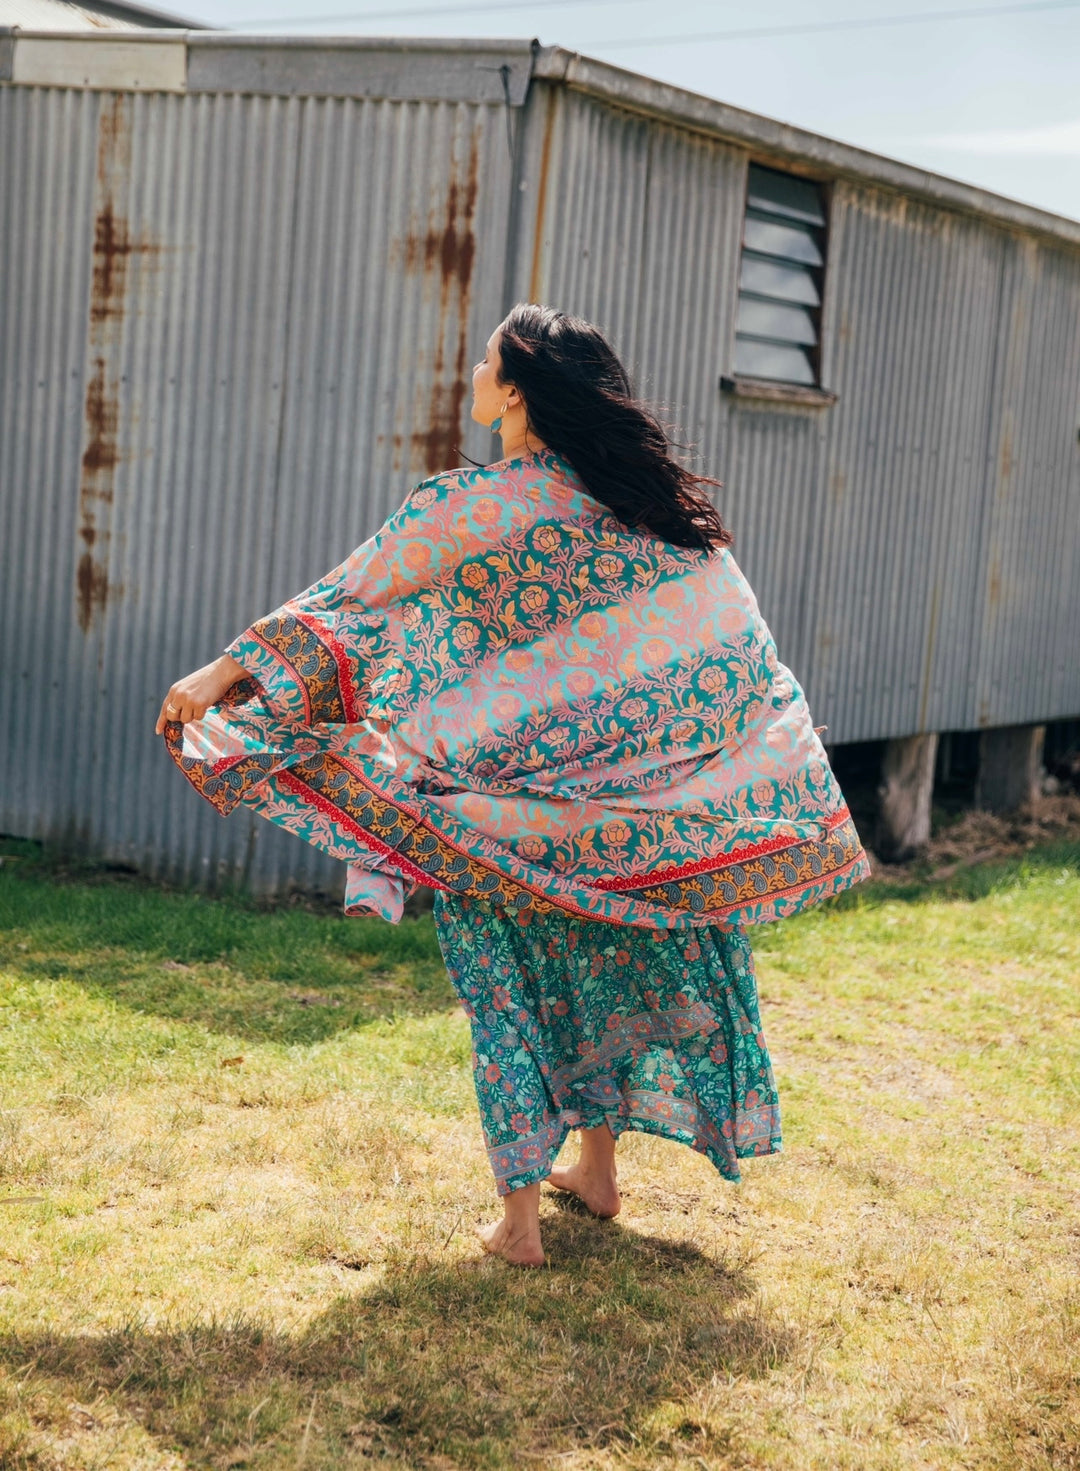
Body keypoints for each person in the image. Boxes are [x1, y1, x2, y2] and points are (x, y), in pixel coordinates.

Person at [157, 303, 869, 1267]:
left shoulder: (470, 509)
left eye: (489, 360)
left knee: (509, 998)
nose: (475, 372)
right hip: (614, 819)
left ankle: (520, 1223)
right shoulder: (643, 509)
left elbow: (352, 604)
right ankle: (598, 1172)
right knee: (598, 978)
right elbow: (729, 646)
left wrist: (222, 675)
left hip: (498, 814)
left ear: (517, 392)